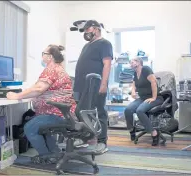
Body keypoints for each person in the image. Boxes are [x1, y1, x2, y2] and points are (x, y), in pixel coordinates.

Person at [6, 44, 77, 163]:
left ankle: (46, 156)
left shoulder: (52, 69)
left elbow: (39, 89)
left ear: (50, 57)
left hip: (57, 114)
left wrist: (17, 95)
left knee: (29, 128)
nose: (42, 56)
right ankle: (55, 154)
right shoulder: (58, 69)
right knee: (43, 128)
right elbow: (38, 88)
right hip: (64, 114)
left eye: (43, 53)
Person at [73, 20, 113, 153]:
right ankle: (84, 138)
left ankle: (102, 142)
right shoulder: (86, 46)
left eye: (87, 30)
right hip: (82, 85)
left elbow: (107, 64)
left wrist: (103, 84)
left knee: (100, 112)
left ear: (96, 29)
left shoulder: (104, 44)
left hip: (95, 84)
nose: (85, 33)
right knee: (81, 111)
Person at [124, 57, 164, 146]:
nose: (131, 63)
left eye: (133, 61)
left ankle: (154, 133)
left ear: (139, 62)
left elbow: (153, 82)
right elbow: (134, 83)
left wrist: (154, 97)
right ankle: (132, 130)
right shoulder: (135, 72)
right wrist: (133, 91)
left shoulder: (146, 69)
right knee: (128, 110)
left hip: (156, 98)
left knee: (140, 110)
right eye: (130, 62)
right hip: (142, 98)